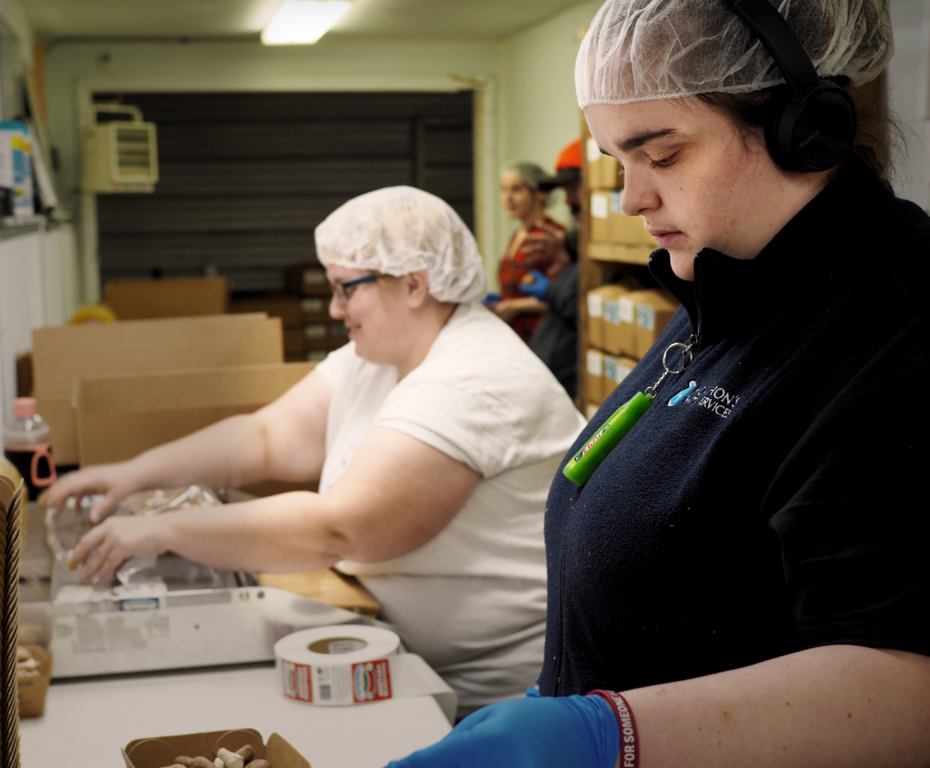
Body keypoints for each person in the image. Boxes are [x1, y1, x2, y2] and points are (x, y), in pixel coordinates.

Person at [388, 1, 930, 766]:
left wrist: (613, 733)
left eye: (662, 155)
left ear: (807, 129)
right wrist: (575, 684)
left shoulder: (897, 327)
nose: (628, 198)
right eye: (617, 160)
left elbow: (908, 690)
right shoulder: (727, 285)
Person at [45, 186, 586, 715]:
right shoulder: (380, 353)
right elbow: (266, 436)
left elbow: (341, 528)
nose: (333, 308)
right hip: (402, 661)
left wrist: (163, 530)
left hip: (490, 704)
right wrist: (133, 473)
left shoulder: (471, 380)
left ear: (415, 284)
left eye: (346, 288)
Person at [519, 140, 585, 400]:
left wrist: (551, 291)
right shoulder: (573, 243)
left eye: (573, 188)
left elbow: (584, 310)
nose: (568, 200)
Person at [489, 163, 568, 344]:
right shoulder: (516, 235)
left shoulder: (552, 236)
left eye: (516, 189)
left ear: (539, 193)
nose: (508, 198)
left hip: (542, 340)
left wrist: (515, 306)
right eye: (504, 189)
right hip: (514, 340)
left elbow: (565, 297)